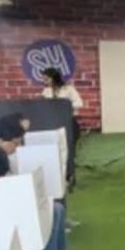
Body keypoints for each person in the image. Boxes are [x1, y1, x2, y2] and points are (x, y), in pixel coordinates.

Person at [0, 113, 79, 250]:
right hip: (5, 210)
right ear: (1, 141)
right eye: (15, 143)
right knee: (53, 210)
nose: (18, 147)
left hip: (16, 202)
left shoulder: (8, 156)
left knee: (55, 208)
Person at [40, 67, 83, 197]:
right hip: (53, 124)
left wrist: (63, 104)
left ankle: (70, 176)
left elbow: (79, 103)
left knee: (69, 151)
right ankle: (58, 178)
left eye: (46, 79)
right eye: (43, 79)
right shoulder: (46, 91)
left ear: (54, 78)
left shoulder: (68, 90)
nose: (44, 81)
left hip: (69, 123)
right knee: (55, 151)